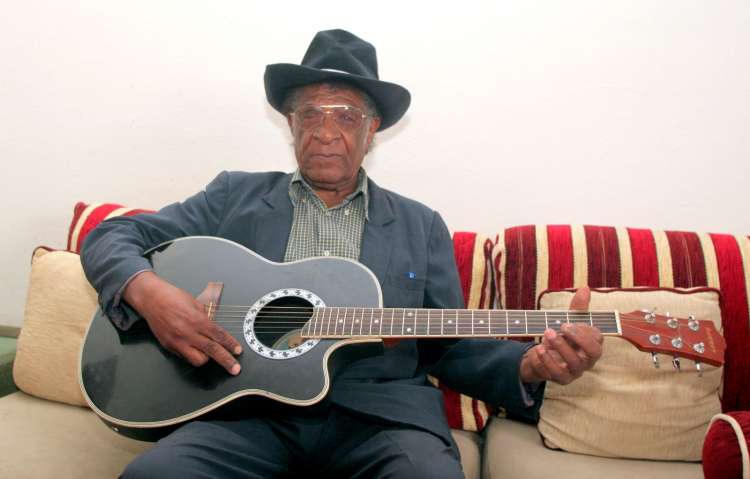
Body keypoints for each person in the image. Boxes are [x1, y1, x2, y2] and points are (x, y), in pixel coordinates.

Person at [81, 29, 603, 479]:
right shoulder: (234, 196)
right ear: (290, 124)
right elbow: (111, 236)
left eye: (347, 116)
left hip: (379, 420)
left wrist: (531, 365)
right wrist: (149, 294)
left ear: (371, 130)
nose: (326, 132)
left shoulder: (420, 224)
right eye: (311, 113)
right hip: (244, 411)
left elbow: (448, 346)